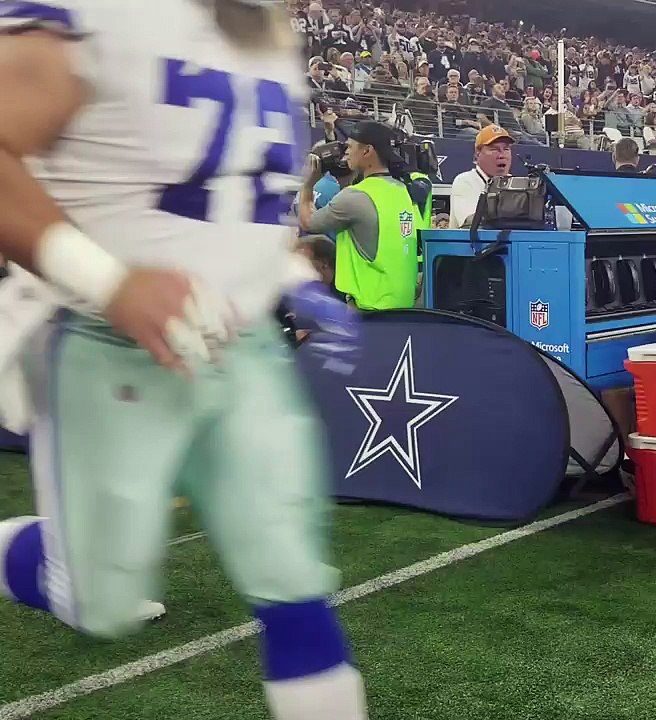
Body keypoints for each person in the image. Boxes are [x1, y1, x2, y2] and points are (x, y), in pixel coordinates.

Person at [0, 3, 368, 719]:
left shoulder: (263, 33)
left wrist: (291, 280)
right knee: (94, 600)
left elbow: (230, 201)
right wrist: (108, 280)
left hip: (242, 345)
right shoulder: (96, 11)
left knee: (292, 577)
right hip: (106, 341)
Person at [298, 121, 427, 310]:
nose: (345, 152)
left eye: (349, 146)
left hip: (368, 310)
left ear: (367, 151)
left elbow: (308, 221)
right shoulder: (402, 190)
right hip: (402, 305)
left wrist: (308, 185)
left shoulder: (356, 196)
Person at [449, 125, 514, 229]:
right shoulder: (465, 181)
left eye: (506, 149)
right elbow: (471, 222)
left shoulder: (514, 184)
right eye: (494, 149)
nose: (502, 155)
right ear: (477, 154)